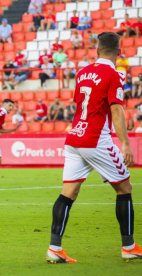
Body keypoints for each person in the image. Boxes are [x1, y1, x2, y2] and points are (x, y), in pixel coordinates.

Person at [46, 32, 142, 264]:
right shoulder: (114, 74)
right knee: (125, 188)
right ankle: (129, 246)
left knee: (68, 192)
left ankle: (54, 248)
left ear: (97, 50)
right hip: (96, 140)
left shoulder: (82, 73)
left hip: (74, 138)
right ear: (118, 53)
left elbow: (81, 105)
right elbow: (116, 109)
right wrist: (126, 143)